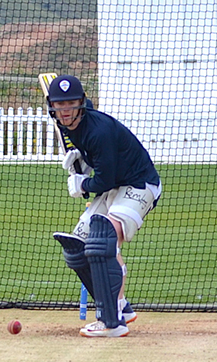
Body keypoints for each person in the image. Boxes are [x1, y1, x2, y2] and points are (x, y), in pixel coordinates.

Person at [47, 74, 161, 338]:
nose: (65, 110)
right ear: (52, 105)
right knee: (77, 247)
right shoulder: (69, 126)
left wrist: (82, 184)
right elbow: (103, 165)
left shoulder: (98, 130)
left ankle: (112, 321)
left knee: (104, 236)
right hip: (114, 187)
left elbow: (105, 179)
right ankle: (120, 306)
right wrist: (83, 161)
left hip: (139, 184)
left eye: (71, 103)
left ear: (82, 103)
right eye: (60, 104)